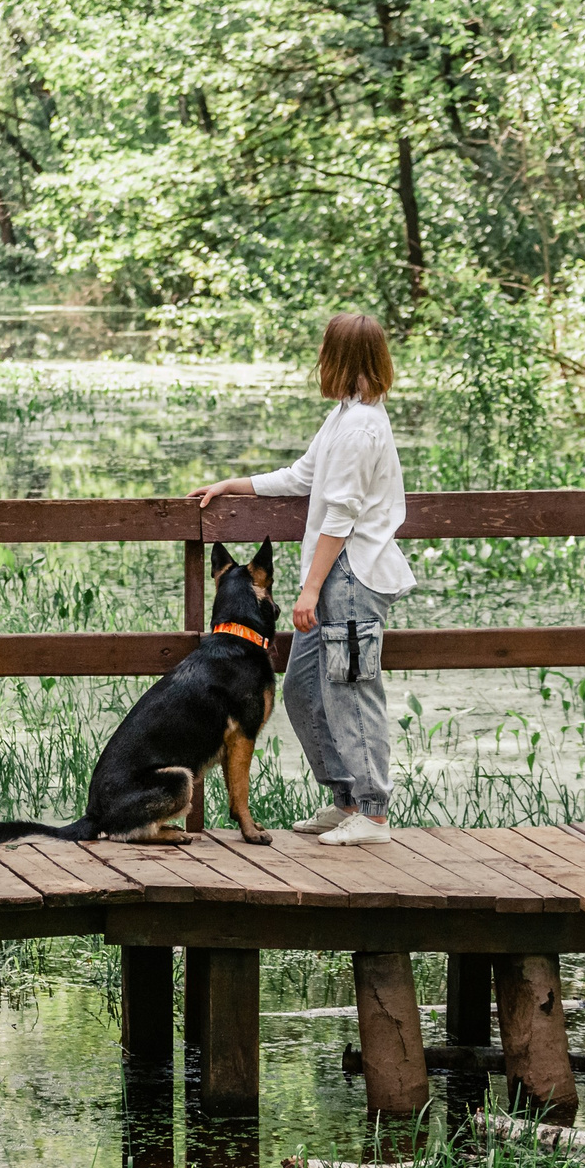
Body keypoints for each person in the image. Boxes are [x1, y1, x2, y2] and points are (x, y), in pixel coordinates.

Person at [190, 312, 413, 845]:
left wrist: (309, 588)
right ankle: (345, 798)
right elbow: (300, 476)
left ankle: (374, 812)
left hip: (352, 578)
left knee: (352, 689)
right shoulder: (344, 416)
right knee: (304, 690)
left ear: (340, 357)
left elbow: (342, 515)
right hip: (333, 577)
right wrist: (234, 485)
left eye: (325, 351)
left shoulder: (362, 427)